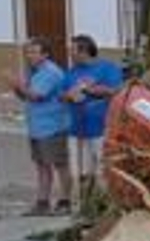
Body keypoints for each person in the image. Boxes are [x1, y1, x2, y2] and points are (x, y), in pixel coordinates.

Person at [11, 39, 71, 216]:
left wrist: (16, 83)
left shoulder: (50, 72)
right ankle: (42, 202)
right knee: (42, 166)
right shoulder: (36, 72)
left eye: (34, 52)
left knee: (60, 165)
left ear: (45, 54)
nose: (30, 56)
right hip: (38, 127)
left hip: (52, 126)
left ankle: (64, 201)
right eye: (28, 52)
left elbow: (37, 96)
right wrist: (17, 88)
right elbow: (26, 96)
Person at [62, 35, 123, 199]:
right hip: (76, 129)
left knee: (101, 170)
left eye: (73, 50)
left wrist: (90, 90)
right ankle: (83, 203)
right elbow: (63, 94)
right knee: (79, 173)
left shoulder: (107, 68)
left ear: (84, 51)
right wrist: (69, 96)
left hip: (101, 128)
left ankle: (103, 203)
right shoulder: (71, 72)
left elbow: (116, 91)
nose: (70, 54)